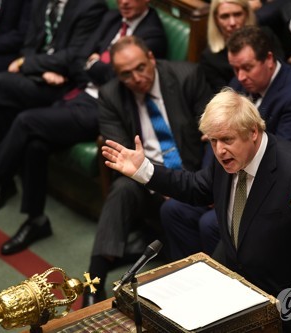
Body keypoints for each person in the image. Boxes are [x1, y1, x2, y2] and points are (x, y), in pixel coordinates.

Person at [101, 88, 291, 332]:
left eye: (227, 140)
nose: (219, 151)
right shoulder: (226, 160)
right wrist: (144, 170)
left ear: (253, 132)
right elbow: (195, 187)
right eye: (213, 141)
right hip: (239, 289)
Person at [0, 0, 167, 255]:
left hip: (106, 110)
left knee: (26, 120)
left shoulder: (152, 33)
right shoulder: (113, 19)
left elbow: (119, 80)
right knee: (35, 143)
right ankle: (36, 221)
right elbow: (78, 59)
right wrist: (90, 68)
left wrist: (94, 66)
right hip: (78, 94)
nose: (124, 2)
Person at [161, 25, 291, 261]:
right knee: (173, 210)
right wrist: (215, 182)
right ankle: (189, 275)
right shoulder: (240, 83)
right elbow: (214, 138)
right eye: (235, 69)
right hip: (230, 175)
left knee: (210, 223)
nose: (240, 77)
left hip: (261, 189)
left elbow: (279, 154)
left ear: (268, 59)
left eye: (247, 67)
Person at [84, 36, 213, 306]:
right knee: (121, 189)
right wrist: (159, 182)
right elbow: (120, 157)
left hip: (193, 177)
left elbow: (213, 138)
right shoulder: (111, 95)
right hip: (147, 182)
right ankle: (93, 283)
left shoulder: (187, 77)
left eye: (141, 67)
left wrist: (192, 184)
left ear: (152, 58)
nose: (136, 77)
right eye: (126, 74)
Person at [0, 0, 107, 144]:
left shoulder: (89, 6)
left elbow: (71, 56)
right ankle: (8, 165)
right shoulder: (41, 2)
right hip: (39, 70)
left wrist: (27, 64)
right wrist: (37, 69)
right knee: (2, 108)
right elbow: (29, 43)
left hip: (63, 79)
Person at [200, 0, 256, 93]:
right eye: (225, 16)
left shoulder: (266, 37)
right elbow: (226, 98)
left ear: (246, 14)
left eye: (237, 14)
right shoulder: (209, 58)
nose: (232, 23)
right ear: (216, 19)